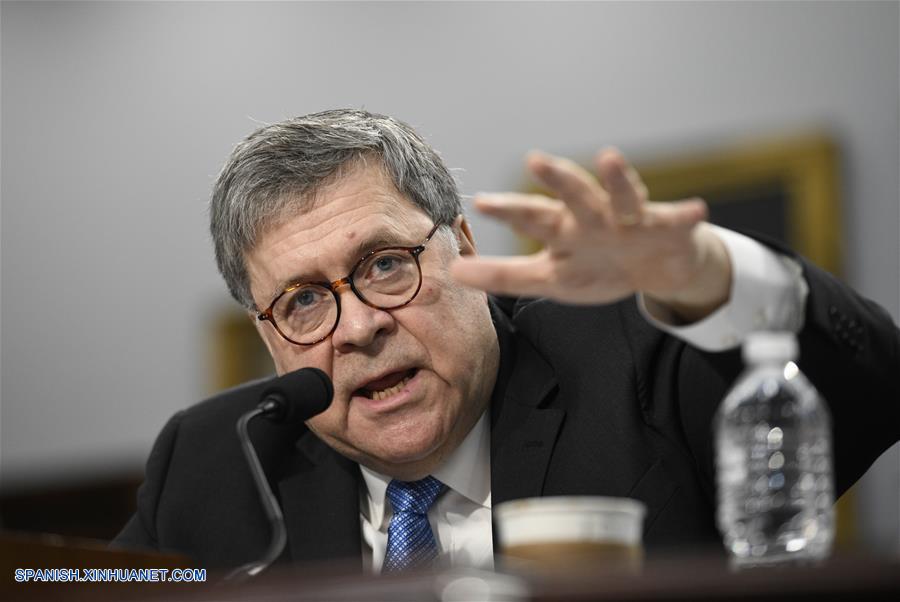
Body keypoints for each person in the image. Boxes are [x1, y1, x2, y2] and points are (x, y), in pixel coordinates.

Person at [114, 109, 899, 573]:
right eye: (305, 301)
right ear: (268, 333)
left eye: (387, 265)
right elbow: (72, 582)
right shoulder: (221, 456)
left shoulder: (632, 358)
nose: (358, 328)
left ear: (466, 247)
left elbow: (871, 384)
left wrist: (710, 274)